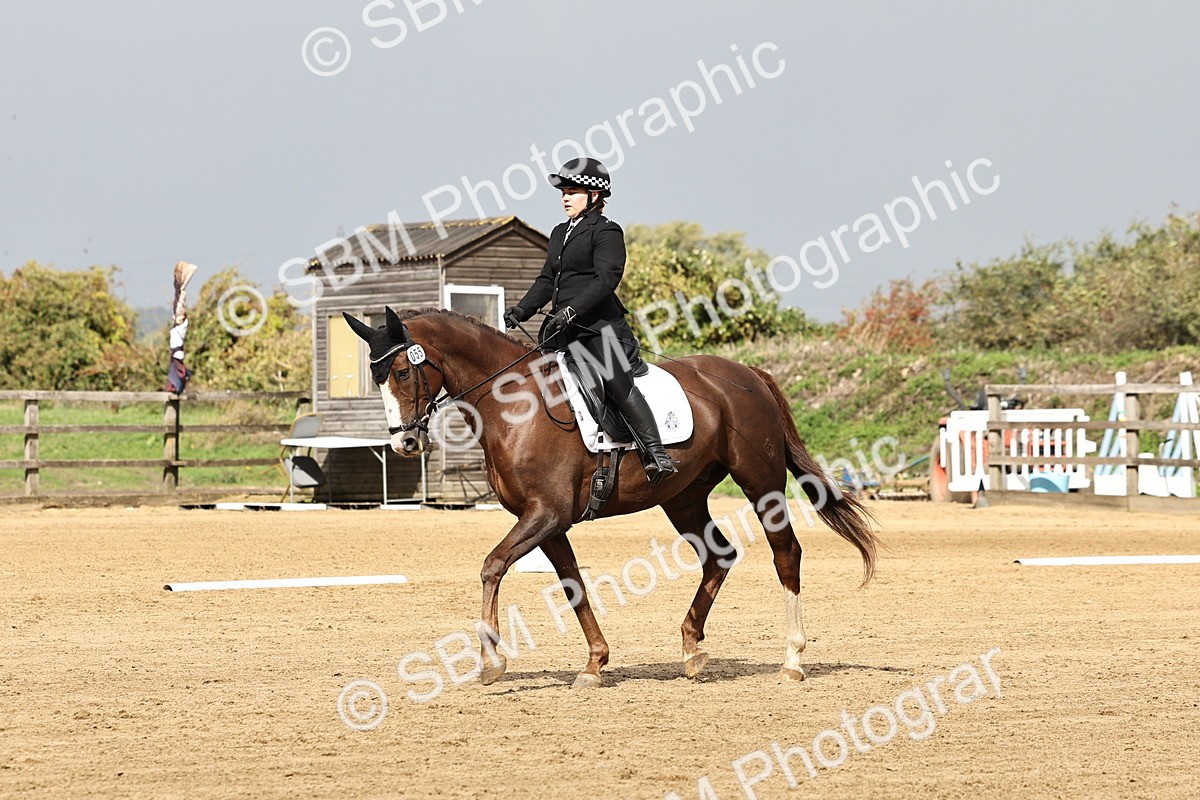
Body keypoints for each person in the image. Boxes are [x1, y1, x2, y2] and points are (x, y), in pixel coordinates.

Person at [503, 158, 678, 485]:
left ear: (595, 196)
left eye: (573, 192)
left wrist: (573, 310)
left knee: (615, 380)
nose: (565, 198)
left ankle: (656, 453)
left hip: (599, 329)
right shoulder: (559, 233)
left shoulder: (607, 231)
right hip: (561, 331)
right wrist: (521, 310)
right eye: (563, 192)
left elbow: (606, 278)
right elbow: (546, 281)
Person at [163, 261, 198, 393]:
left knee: (177, 373)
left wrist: (181, 293)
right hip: (175, 354)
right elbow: (177, 308)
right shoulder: (176, 326)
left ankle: (175, 388)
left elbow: (180, 309)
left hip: (177, 354)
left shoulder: (182, 327)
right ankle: (172, 388)